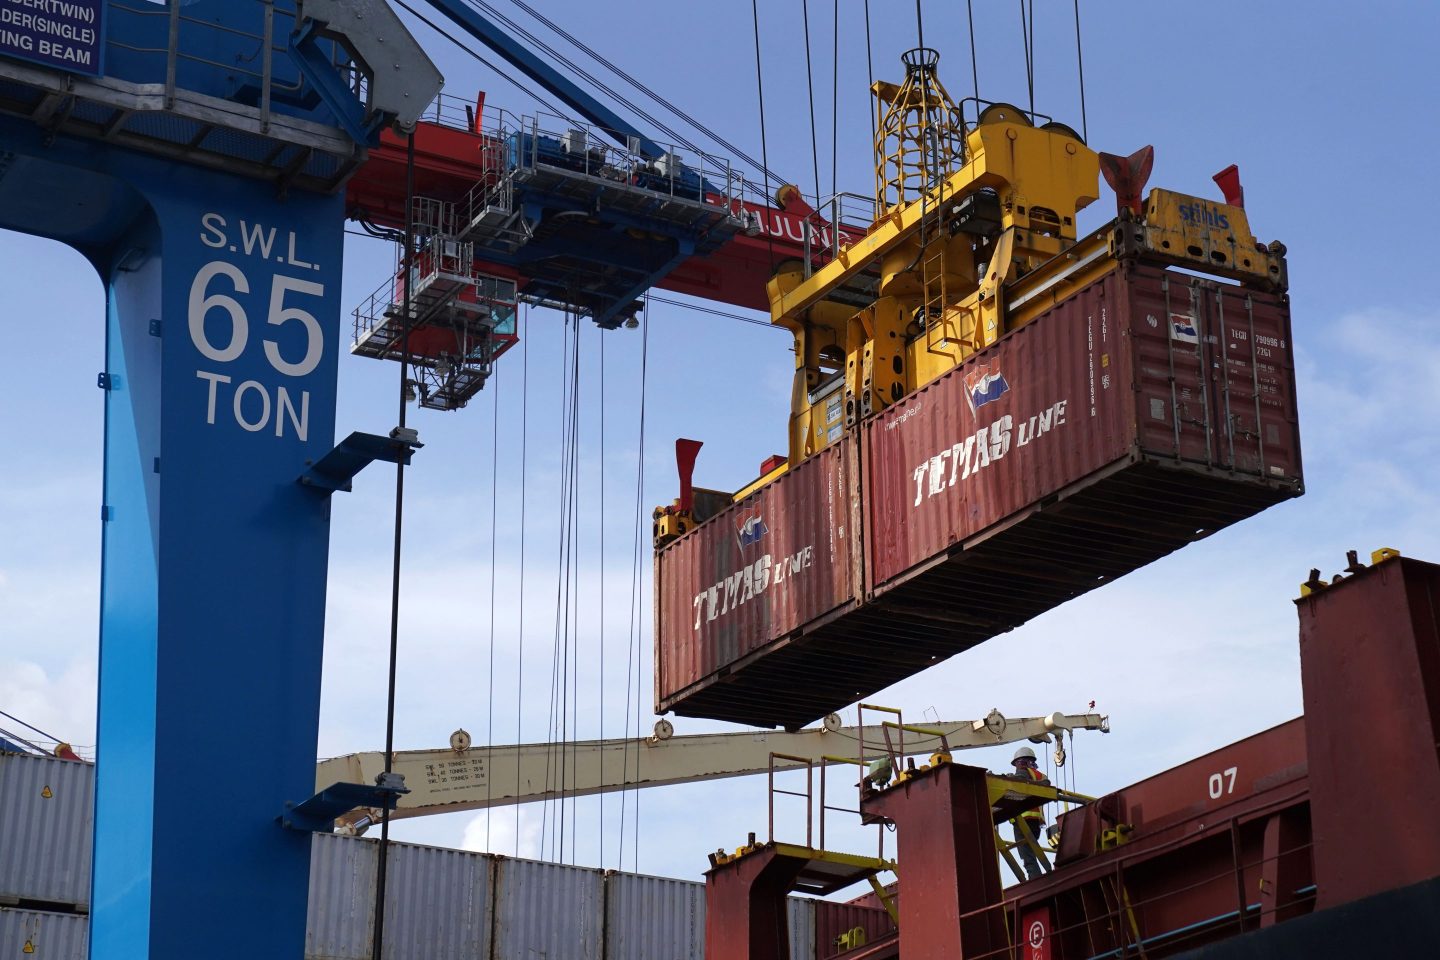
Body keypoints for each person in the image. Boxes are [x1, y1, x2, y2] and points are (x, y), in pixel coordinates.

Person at [1010, 745, 1050, 880]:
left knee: (1027, 855)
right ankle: (1040, 873)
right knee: (1032, 851)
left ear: (1022, 761)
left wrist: (1008, 779)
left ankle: (1035, 879)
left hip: (1022, 821)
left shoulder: (1023, 773)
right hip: (1036, 823)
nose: (1017, 766)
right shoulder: (1040, 776)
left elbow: (1018, 781)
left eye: (1018, 763)